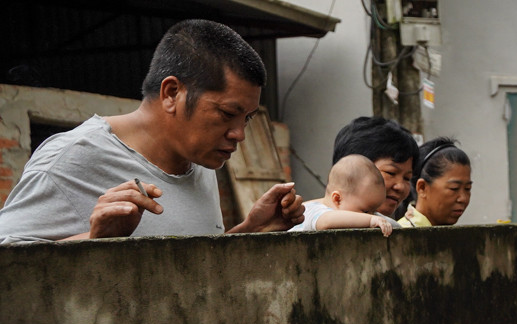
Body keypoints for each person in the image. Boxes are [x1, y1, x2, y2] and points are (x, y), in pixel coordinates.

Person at [0, 19, 303, 244]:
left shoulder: (199, 163)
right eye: (227, 114)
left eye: (247, 119)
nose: (239, 134)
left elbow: (186, 268)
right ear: (172, 93)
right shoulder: (69, 159)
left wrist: (250, 230)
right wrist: (93, 242)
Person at [330, 116, 418, 221]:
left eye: (407, 178)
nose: (401, 187)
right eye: (390, 173)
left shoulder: (394, 227)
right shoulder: (314, 219)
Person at [291, 155, 392, 236]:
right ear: (338, 199)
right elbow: (326, 222)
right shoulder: (313, 210)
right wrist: (370, 221)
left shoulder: (359, 210)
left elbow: (383, 220)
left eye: (373, 212)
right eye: (365, 211)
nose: (370, 215)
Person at [397, 137, 472, 228]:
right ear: (422, 187)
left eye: (467, 189)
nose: (463, 199)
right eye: (454, 188)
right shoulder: (402, 234)